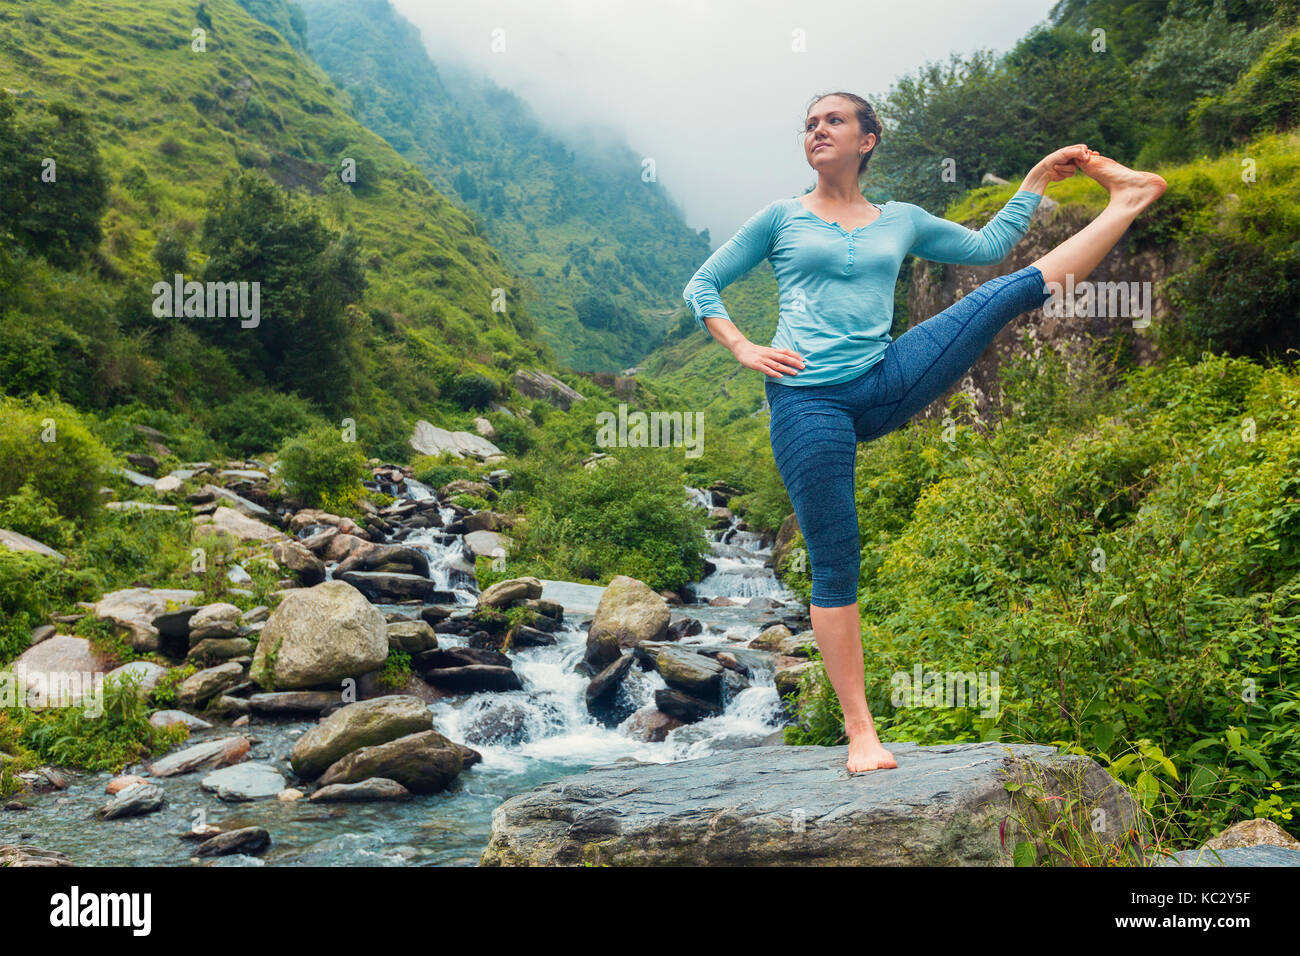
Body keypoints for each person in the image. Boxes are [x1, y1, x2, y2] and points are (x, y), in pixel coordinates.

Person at [682, 91, 1167, 773]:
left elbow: (992, 247)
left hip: (884, 379)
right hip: (806, 400)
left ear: (868, 139)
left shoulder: (900, 220)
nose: (817, 130)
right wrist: (741, 347)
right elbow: (703, 286)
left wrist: (1030, 183)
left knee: (999, 294)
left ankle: (1129, 200)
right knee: (836, 556)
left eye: (833, 121)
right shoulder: (780, 219)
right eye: (810, 123)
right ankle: (861, 735)